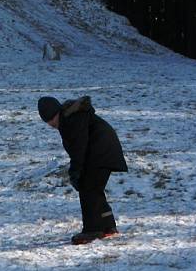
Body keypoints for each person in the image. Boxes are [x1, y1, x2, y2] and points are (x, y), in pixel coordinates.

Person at [37, 95, 128, 245]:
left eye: (50, 120)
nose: (50, 125)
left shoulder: (70, 121)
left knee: (88, 189)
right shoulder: (70, 117)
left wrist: (75, 172)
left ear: (54, 114)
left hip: (101, 151)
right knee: (94, 189)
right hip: (104, 150)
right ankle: (108, 225)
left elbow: (79, 149)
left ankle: (92, 230)